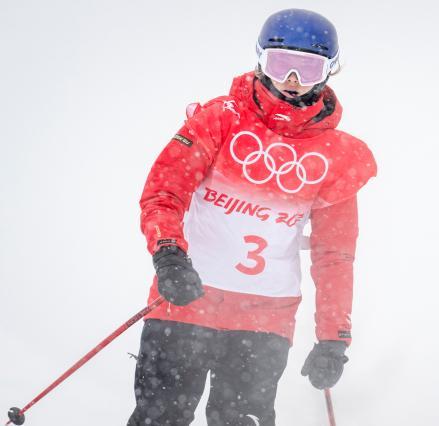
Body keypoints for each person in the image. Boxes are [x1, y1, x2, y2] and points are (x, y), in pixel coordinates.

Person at [127, 8, 376, 426]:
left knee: (241, 420)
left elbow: (335, 255)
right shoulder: (219, 118)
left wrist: (333, 338)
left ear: (329, 72)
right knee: (160, 417)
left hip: (265, 318)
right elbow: (164, 192)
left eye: (308, 69)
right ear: (260, 60)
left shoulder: (337, 156)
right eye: (281, 64)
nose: (292, 81)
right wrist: (168, 254)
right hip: (187, 301)